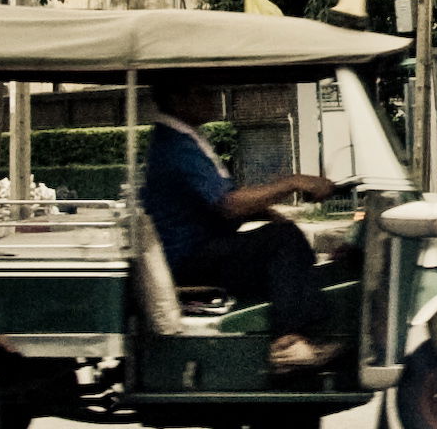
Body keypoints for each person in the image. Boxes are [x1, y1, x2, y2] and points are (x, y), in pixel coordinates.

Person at [136, 91, 349, 371]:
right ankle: (288, 343)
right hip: (189, 258)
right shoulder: (177, 144)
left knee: (283, 233)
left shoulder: (182, 138)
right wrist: (293, 183)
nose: (214, 96)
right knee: (282, 240)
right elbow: (229, 205)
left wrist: (266, 211)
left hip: (197, 249)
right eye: (204, 89)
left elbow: (208, 203)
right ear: (180, 97)